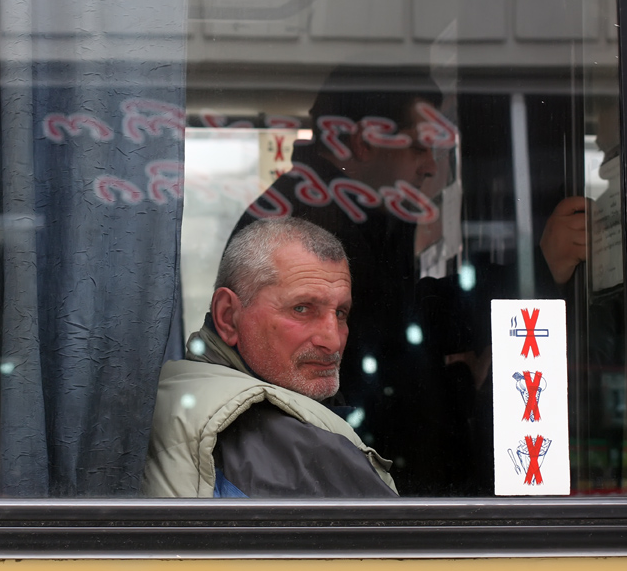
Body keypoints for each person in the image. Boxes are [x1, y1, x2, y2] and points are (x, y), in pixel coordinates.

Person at [229, 69, 492, 496]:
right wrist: (464, 383)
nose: (430, 166)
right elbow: (384, 380)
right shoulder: (316, 232)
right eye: (418, 145)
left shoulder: (348, 214)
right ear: (364, 142)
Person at [142, 217, 398, 498]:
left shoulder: (177, 385)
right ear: (228, 317)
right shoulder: (296, 443)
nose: (332, 340)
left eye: (340, 313)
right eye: (302, 309)